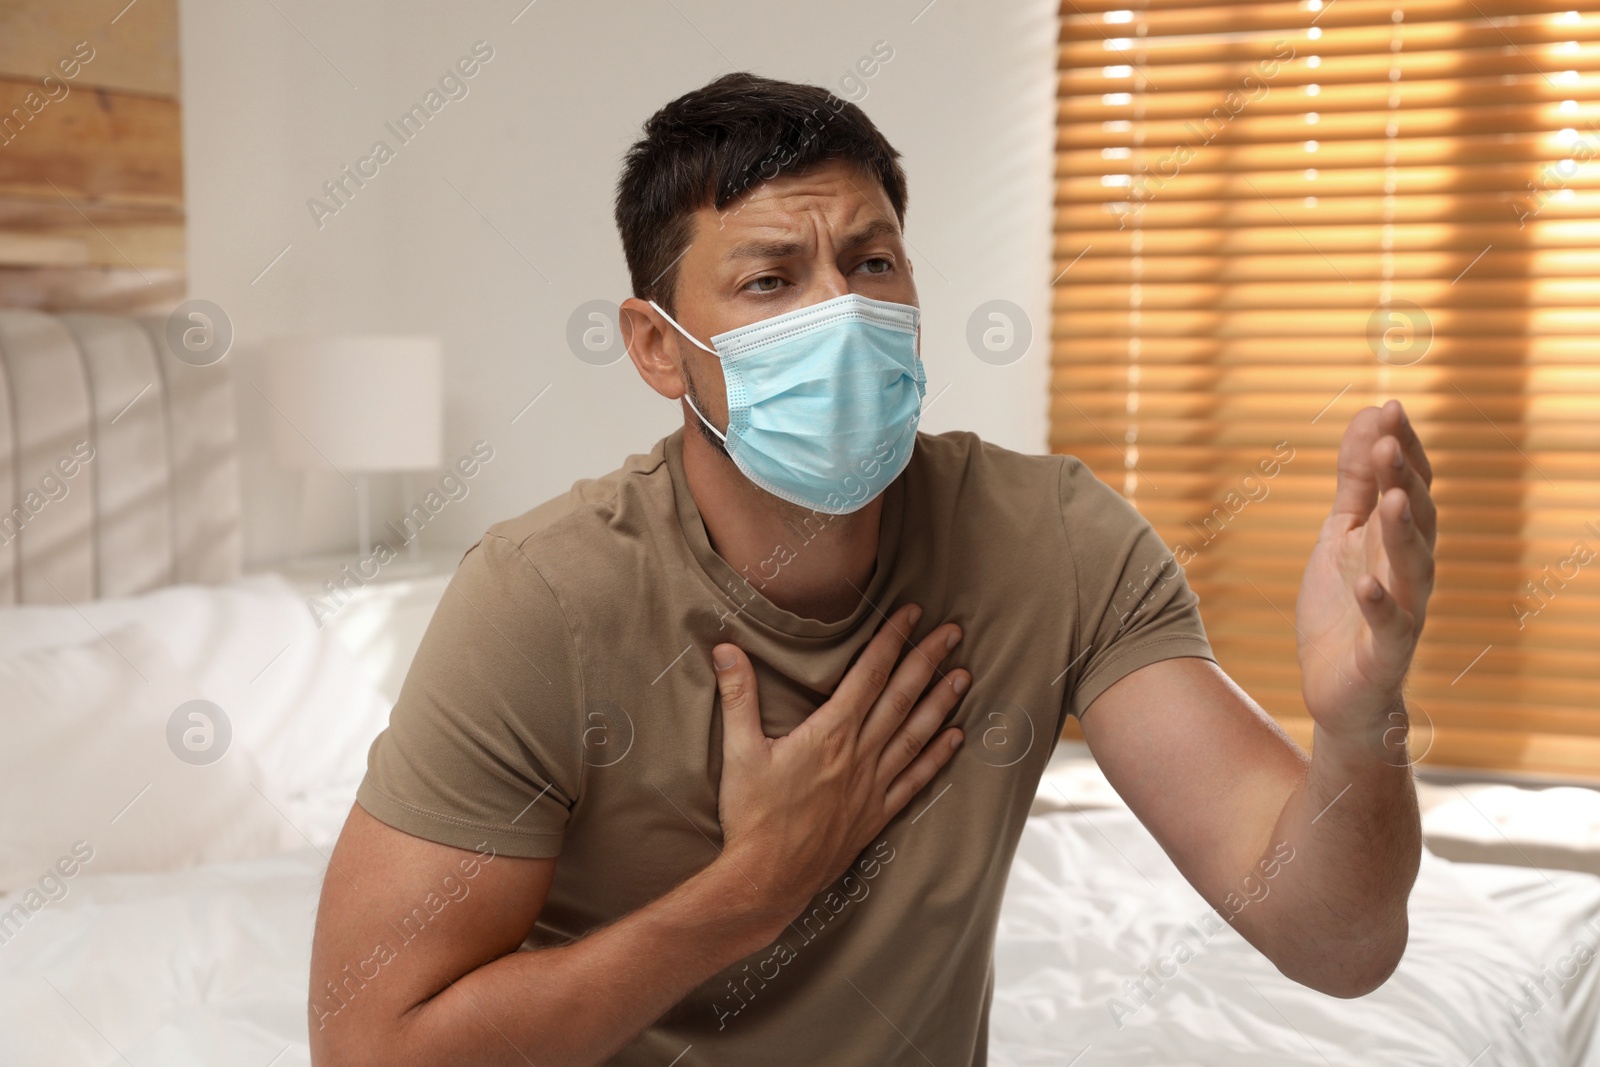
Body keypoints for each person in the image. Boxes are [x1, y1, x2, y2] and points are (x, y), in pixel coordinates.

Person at [308, 71, 1434, 1067]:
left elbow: (1333, 943)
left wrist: (1358, 722)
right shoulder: (539, 598)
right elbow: (369, 1046)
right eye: (769, 280)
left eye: (871, 261)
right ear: (658, 345)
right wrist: (752, 889)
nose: (841, 312)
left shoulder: (1054, 539)